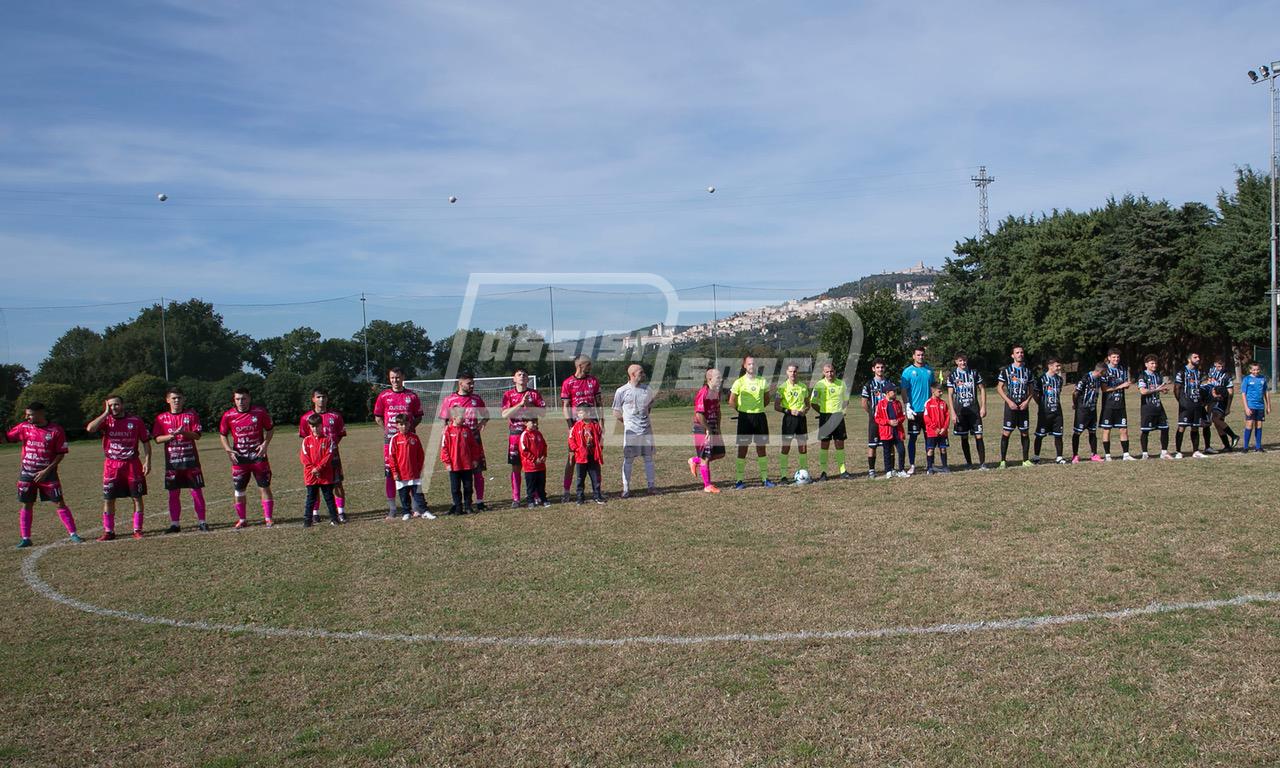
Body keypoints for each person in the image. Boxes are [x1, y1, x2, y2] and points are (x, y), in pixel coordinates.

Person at [5, 402, 80, 548]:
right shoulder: (24, 427)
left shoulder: (55, 430)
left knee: (59, 502)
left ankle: (73, 534)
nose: (27, 417)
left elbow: (60, 454)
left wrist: (47, 470)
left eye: (30, 414)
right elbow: (8, 437)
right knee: (27, 504)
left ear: (41, 413)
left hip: (48, 474)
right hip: (27, 473)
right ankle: (26, 538)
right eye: (26, 414)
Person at [86, 396, 151, 541]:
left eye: (116, 405)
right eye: (110, 405)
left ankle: (137, 530)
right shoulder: (106, 421)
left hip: (132, 464)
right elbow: (90, 428)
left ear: (122, 405)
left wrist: (148, 461)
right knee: (109, 499)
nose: (113, 408)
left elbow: (146, 442)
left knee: (137, 497)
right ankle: (109, 531)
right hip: (112, 465)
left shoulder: (135, 421)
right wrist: (105, 413)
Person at [152, 387, 208, 532]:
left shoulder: (191, 415)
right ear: (167, 400)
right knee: (173, 493)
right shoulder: (161, 418)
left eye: (179, 398)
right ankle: (175, 524)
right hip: (173, 463)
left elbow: (197, 435)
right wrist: (171, 436)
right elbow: (157, 439)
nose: (176, 400)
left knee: (196, 491)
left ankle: (202, 522)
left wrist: (184, 432)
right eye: (173, 398)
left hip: (190, 461)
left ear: (184, 399)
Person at [217, 388, 274, 529]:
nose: (240, 402)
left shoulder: (259, 412)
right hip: (239, 459)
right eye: (237, 399)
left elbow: (270, 428)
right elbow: (223, 434)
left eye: (243, 398)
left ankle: (268, 518)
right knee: (239, 490)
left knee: (264, 487)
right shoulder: (228, 415)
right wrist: (228, 449)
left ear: (249, 398)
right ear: (234, 400)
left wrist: (265, 444)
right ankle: (242, 519)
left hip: (258, 457)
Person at [373, 368, 423, 517]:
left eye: (398, 377)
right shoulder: (384, 396)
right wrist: (388, 430)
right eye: (392, 378)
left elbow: (418, 416)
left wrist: (409, 430)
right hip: (390, 440)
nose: (395, 380)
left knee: (412, 471)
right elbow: (378, 417)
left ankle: (414, 507)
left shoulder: (412, 396)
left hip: (409, 440)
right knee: (390, 473)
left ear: (403, 377)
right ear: (389, 379)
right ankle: (393, 508)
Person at [437, 372, 489, 511]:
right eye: (469, 383)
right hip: (455, 439)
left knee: (477, 472)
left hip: (473, 438)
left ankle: (479, 502)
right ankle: (458, 504)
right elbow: (443, 420)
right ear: (460, 384)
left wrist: (483, 422)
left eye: (473, 383)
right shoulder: (449, 400)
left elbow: (486, 414)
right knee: (457, 473)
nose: (472, 385)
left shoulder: (476, 399)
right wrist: (445, 433)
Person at [298, 388, 347, 522]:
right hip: (314, 459)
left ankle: (341, 512)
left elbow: (340, 435)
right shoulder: (305, 418)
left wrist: (331, 447)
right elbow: (305, 439)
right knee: (314, 487)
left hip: (332, 456)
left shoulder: (335, 416)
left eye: (324, 397)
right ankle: (315, 513)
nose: (321, 400)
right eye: (318, 397)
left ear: (327, 398)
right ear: (313, 399)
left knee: (337, 484)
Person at [500, 369, 546, 508]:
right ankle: (516, 498)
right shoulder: (508, 395)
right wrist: (520, 404)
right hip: (515, 433)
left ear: (528, 379)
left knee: (534, 464)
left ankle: (535, 495)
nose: (522, 376)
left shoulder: (534, 394)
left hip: (532, 435)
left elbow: (543, 413)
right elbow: (504, 414)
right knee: (516, 466)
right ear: (514, 378)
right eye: (519, 375)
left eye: (524, 375)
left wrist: (529, 404)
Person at [560, 356, 602, 502]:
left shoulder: (593, 381)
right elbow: (565, 406)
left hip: (592, 426)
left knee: (594, 457)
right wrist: (570, 426)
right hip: (576, 427)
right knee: (572, 458)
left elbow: (598, 403)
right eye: (588, 364)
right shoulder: (568, 383)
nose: (590, 367)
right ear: (580, 365)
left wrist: (601, 421)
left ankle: (597, 491)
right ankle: (566, 490)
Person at [729, 355, 774, 489]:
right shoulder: (739, 382)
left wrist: (757, 409)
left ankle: (765, 479)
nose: (751, 366)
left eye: (753, 364)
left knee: (761, 448)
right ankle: (739, 480)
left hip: (760, 417)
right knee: (743, 449)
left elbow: (766, 400)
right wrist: (742, 411)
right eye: (749, 364)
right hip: (745, 418)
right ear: (744, 366)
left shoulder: (762, 381)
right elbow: (731, 401)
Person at [612, 364, 657, 497]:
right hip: (631, 432)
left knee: (648, 458)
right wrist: (627, 423)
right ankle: (626, 489)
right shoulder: (621, 391)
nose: (643, 375)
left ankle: (651, 486)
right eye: (641, 373)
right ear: (632, 375)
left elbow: (649, 407)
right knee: (628, 459)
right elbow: (616, 412)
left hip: (646, 430)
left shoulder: (647, 389)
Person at [388, 414, 434, 520]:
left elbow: (420, 454)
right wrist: (395, 472)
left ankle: (424, 511)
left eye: (406, 424)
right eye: (401, 424)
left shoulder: (414, 437)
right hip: (401, 473)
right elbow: (392, 458)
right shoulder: (394, 439)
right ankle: (406, 512)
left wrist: (418, 468)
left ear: (409, 424)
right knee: (404, 495)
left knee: (418, 494)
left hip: (414, 472)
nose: (404, 426)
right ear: (397, 426)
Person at [946, 353, 987, 470]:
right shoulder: (953, 376)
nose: (962, 363)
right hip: (960, 411)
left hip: (974, 410)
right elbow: (950, 394)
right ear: (956, 362)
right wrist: (952, 412)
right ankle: (969, 463)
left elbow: (982, 389)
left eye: (964, 360)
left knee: (979, 435)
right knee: (964, 437)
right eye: (960, 361)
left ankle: (982, 464)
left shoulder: (974, 373)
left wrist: (983, 406)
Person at [299, 414, 342, 527]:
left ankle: (334, 518)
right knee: (310, 499)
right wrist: (313, 469)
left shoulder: (328, 440)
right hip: (311, 475)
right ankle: (307, 521)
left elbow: (329, 456)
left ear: (321, 426)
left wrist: (318, 468)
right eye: (312, 426)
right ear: (309, 427)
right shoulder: (306, 441)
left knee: (329, 497)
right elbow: (304, 457)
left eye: (317, 426)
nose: (315, 429)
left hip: (325, 475)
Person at [809, 362, 849, 480]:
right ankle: (823, 472)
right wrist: (822, 412)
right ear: (823, 373)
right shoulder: (819, 385)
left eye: (831, 371)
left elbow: (846, 400)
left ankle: (843, 471)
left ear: (835, 371)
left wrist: (843, 410)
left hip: (838, 417)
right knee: (824, 444)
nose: (830, 374)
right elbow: (813, 402)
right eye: (827, 372)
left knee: (839, 443)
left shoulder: (841, 384)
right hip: (825, 417)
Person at [898, 347, 934, 475]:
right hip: (914, 411)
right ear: (913, 356)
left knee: (929, 438)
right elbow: (903, 390)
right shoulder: (907, 372)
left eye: (922, 355)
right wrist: (907, 406)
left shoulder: (930, 370)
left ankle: (930, 465)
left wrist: (933, 404)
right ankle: (912, 465)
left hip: (928, 412)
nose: (920, 357)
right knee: (912, 438)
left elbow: (933, 389)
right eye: (918, 355)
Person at [996, 345, 1033, 468]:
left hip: (1023, 406)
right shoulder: (1006, 370)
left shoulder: (1028, 371)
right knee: (1006, 432)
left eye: (1022, 352)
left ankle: (1025, 460)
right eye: (1017, 352)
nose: (1020, 354)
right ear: (1013, 355)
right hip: (1011, 406)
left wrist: (1027, 401)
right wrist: (1009, 401)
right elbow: (999, 388)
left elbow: (1032, 389)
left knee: (1025, 433)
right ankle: (1003, 460)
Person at [688, 368, 725, 493]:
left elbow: (718, 411)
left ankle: (695, 460)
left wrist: (718, 427)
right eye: (718, 378)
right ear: (710, 379)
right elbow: (699, 415)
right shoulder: (703, 392)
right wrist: (707, 429)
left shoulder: (717, 392)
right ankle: (707, 485)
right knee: (706, 457)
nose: (721, 380)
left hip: (713, 426)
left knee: (720, 453)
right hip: (702, 428)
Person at [439, 407, 480, 515]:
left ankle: (468, 506)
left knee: (468, 487)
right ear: (454, 417)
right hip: (454, 465)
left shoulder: (467, 430)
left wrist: (475, 459)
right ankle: (458, 507)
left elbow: (474, 446)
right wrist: (447, 462)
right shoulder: (447, 431)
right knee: (455, 488)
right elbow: (444, 448)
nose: (464, 418)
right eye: (461, 416)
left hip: (467, 465)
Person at [774, 364, 810, 483]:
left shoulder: (803, 387)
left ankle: (804, 474)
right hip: (789, 419)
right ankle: (784, 476)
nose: (793, 374)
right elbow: (776, 406)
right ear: (787, 373)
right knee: (786, 447)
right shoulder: (782, 387)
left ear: (797, 373)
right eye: (791, 371)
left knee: (803, 447)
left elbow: (808, 404)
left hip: (801, 419)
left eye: (795, 371)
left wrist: (805, 410)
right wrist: (789, 411)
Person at [1099, 348, 1135, 461]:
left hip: (1120, 404)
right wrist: (1121, 386)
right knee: (1107, 430)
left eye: (1118, 357)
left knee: (1123, 429)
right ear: (1109, 358)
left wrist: (1126, 385)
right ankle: (1108, 455)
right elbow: (1104, 389)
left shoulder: (1122, 369)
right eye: (1114, 357)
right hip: (1108, 405)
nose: (1116, 359)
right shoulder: (1105, 370)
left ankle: (1126, 454)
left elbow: (1125, 384)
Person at [860, 359, 893, 478]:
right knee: (872, 445)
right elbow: (864, 403)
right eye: (878, 367)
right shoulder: (868, 384)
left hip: (888, 419)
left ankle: (891, 469)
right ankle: (872, 470)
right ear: (873, 369)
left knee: (890, 443)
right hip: (874, 420)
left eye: (882, 367)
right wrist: (873, 413)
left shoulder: (889, 383)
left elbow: (893, 399)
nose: (880, 369)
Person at [1136, 355, 1172, 460]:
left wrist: (1164, 390)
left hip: (1158, 406)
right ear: (1146, 364)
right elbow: (1143, 391)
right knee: (1146, 430)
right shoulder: (1142, 376)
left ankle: (1164, 452)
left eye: (1155, 363)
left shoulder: (1157, 375)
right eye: (1152, 363)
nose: (1154, 365)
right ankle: (1145, 454)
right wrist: (1157, 389)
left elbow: (1160, 389)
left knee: (1165, 428)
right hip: (1148, 407)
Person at [567, 404, 605, 504]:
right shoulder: (576, 426)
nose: (578, 414)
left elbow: (601, 438)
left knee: (595, 477)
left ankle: (597, 495)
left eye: (581, 412)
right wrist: (577, 449)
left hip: (593, 456)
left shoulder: (595, 426)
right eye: (578, 412)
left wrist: (599, 449)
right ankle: (580, 497)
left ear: (588, 413)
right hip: (581, 457)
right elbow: (571, 439)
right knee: (580, 478)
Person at [1032, 358, 1067, 465]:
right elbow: (1035, 394)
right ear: (1050, 366)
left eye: (1059, 366)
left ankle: (1059, 457)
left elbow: (1058, 393)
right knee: (1040, 435)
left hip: (1057, 412)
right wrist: (1042, 405)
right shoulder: (1041, 379)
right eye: (1057, 366)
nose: (1059, 368)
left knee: (1058, 435)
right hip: (1044, 413)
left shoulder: (1059, 380)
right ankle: (1036, 457)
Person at [1173, 352, 1207, 458]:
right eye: (1195, 357)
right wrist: (1181, 400)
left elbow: (1199, 387)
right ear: (1189, 359)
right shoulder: (1182, 372)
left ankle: (1196, 451)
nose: (1198, 359)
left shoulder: (1199, 372)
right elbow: (1176, 388)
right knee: (1182, 426)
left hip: (1196, 403)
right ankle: (1178, 451)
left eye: (1198, 357)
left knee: (1195, 427)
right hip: (1186, 404)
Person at [1072, 363, 1105, 464]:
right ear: (1100, 371)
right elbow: (1075, 392)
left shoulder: (1099, 379)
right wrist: (1075, 404)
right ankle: (1075, 455)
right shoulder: (1085, 378)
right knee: (1077, 432)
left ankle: (1094, 454)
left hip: (1092, 410)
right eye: (1104, 372)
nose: (1105, 374)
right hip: (1082, 410)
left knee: (1093, 432)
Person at [1204, 358, 1239, 452]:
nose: (1218, 368)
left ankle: (1234, 436)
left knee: (1216, 419)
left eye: (1220, 366)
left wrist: (1228, 407)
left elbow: (1230, 393)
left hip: (1222, 401)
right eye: (1217, 366)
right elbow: (1209, 382)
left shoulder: (1227, 376)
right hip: (1212, 400)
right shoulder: (1212, 371)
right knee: (1217, 424)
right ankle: (1227, 446)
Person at [873, 384, 907, 478]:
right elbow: (877, 418)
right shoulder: (880, 404)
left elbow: (903, 416)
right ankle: (888, 471)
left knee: (901, 450)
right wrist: (888, 422)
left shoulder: (898, 403)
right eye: (893, 391)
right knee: (887, 452)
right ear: (887, 393)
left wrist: (898, 421)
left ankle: (901, 470)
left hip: (898, 431)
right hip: (886, 432)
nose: (895, 393)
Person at [517, 417, 551, 507]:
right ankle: (530, 501)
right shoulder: (524, 435)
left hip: (541, 466)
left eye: (536, 422)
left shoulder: (539, 434)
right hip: (530, 467)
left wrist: (544, 456)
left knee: (541, 484)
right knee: (531, 485)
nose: (535, 424)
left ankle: (543, 499)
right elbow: (524, 450)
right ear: (525, 423)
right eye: (533, 422)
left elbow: (544, 445)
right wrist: (534, 459)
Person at [1239, 360, 1271, 452]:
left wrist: (1268, 406)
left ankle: (1258, 447)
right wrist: (1246, 407)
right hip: (1250, 406)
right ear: (1250, 370)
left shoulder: (1262, 379)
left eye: (1257, 370)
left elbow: (1266, 392)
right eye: (1253, 370)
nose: (1255, 371)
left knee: (1259, 425)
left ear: (1259, 370)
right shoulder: (1247, 379)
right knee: (1249, 424)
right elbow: (1243, 394)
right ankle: (1245, 447)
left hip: (1260, 406)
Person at [923, 381, 950, 474]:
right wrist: (935, 428)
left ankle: (945, 466)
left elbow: (947, 416)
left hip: (943, 432)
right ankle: (930, 467)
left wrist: (944, 428)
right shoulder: (928, 403)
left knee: (943, 448)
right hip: (932, 432)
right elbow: (926, 417)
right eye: (939, 391)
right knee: (930, 449)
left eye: (942, 391)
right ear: (933, 391)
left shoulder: (943, 403)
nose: (941, 393)